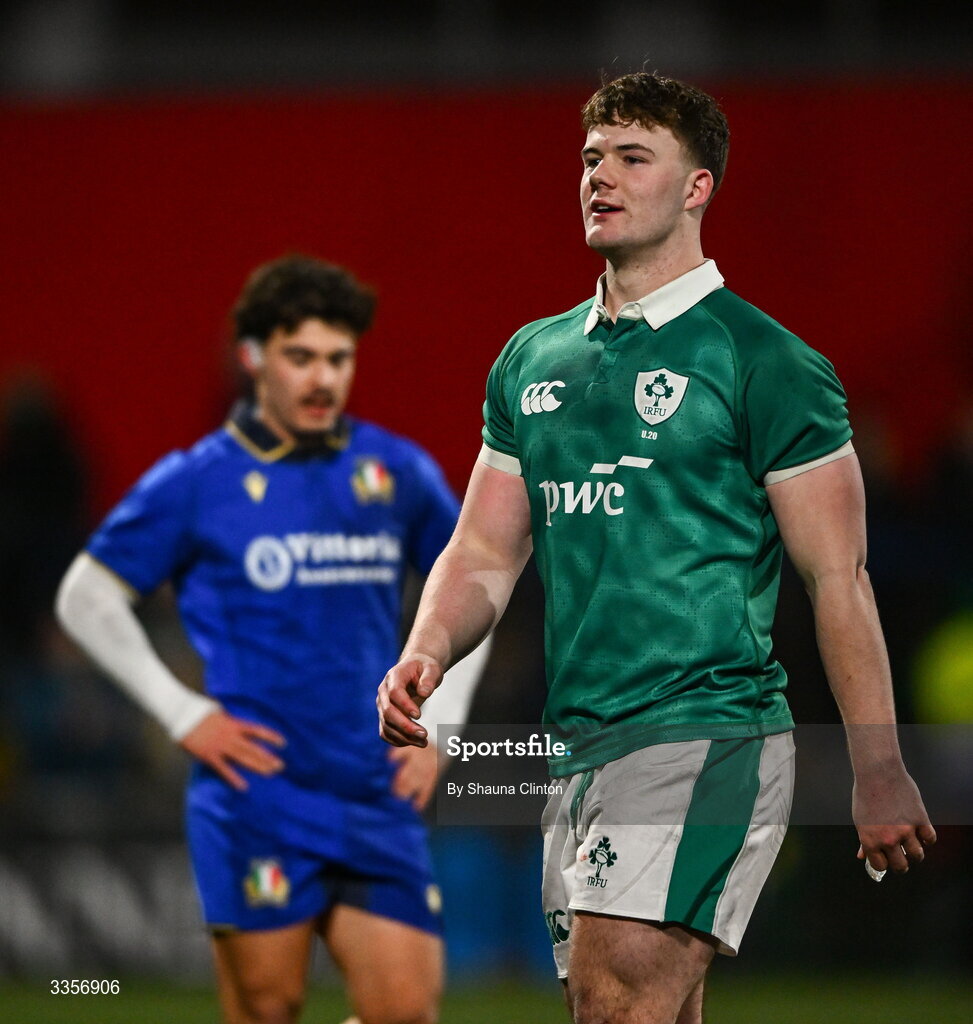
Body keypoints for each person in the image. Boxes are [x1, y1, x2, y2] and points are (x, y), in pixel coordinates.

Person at [377, 73, 936, 1024]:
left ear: (696, 188)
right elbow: (482, 551)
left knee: (616, 1001)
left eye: (633, 157)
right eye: (591, 158)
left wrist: (877, 764)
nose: (600, 176)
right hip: (578, 741)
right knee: (643, 1010)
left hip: (706, 727)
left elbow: (835, 577)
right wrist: (427, 648)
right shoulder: (532, 360)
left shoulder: (769, 364)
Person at [56, 254, 489, 1024]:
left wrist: (446, 721)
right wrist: (181, 712)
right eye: (300, 358)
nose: (322, 378)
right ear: (254, 358)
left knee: (405, 1013)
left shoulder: (393, 471)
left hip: (372, 786)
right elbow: (85, 596)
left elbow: (477, 583)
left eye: (338, 358)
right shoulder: (196, 481)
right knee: (266, 1009)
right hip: (257, 794)